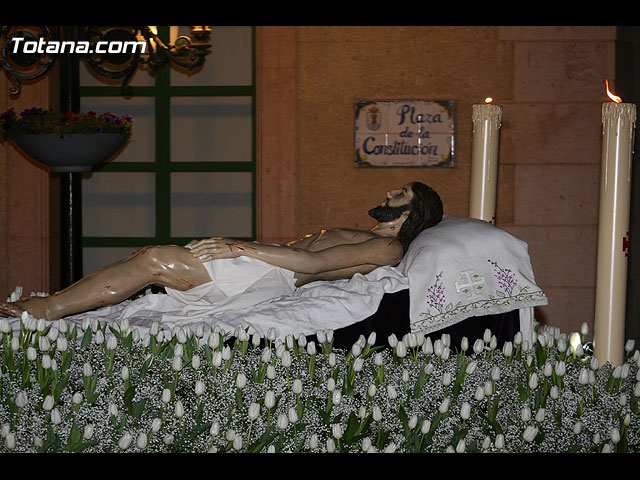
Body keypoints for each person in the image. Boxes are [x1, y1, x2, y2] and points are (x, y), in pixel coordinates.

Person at [0, 181, 443, 321]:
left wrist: (239, 246)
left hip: (272, 276)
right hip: (263, 265)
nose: (389, 192)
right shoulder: (371, 234)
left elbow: (312, 263)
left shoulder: (387, 245)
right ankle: (52, 306)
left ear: (412, 210)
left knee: (156, 261)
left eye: (400, 192)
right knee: (152, 258)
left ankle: (48, 309)